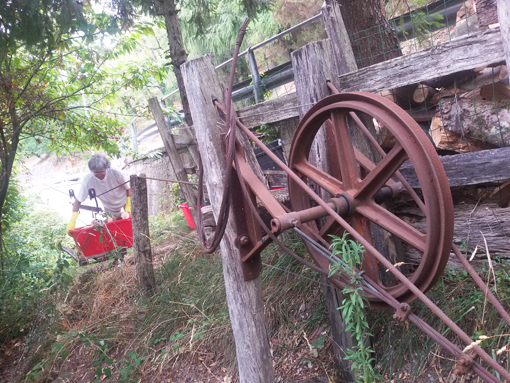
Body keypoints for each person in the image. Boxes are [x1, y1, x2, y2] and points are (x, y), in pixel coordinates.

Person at [67, 154, 131, 233]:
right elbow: (78, 199)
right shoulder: (88, 179)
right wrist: (72, 220)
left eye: (102, 172)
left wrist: (128, 204)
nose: (99, 175)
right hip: (109, 207)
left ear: (107, 168)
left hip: (124, 201)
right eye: (96, 173)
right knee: (112, 229)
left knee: (128, 219)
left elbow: (129, 187)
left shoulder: (116, 172)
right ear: (91, 171)